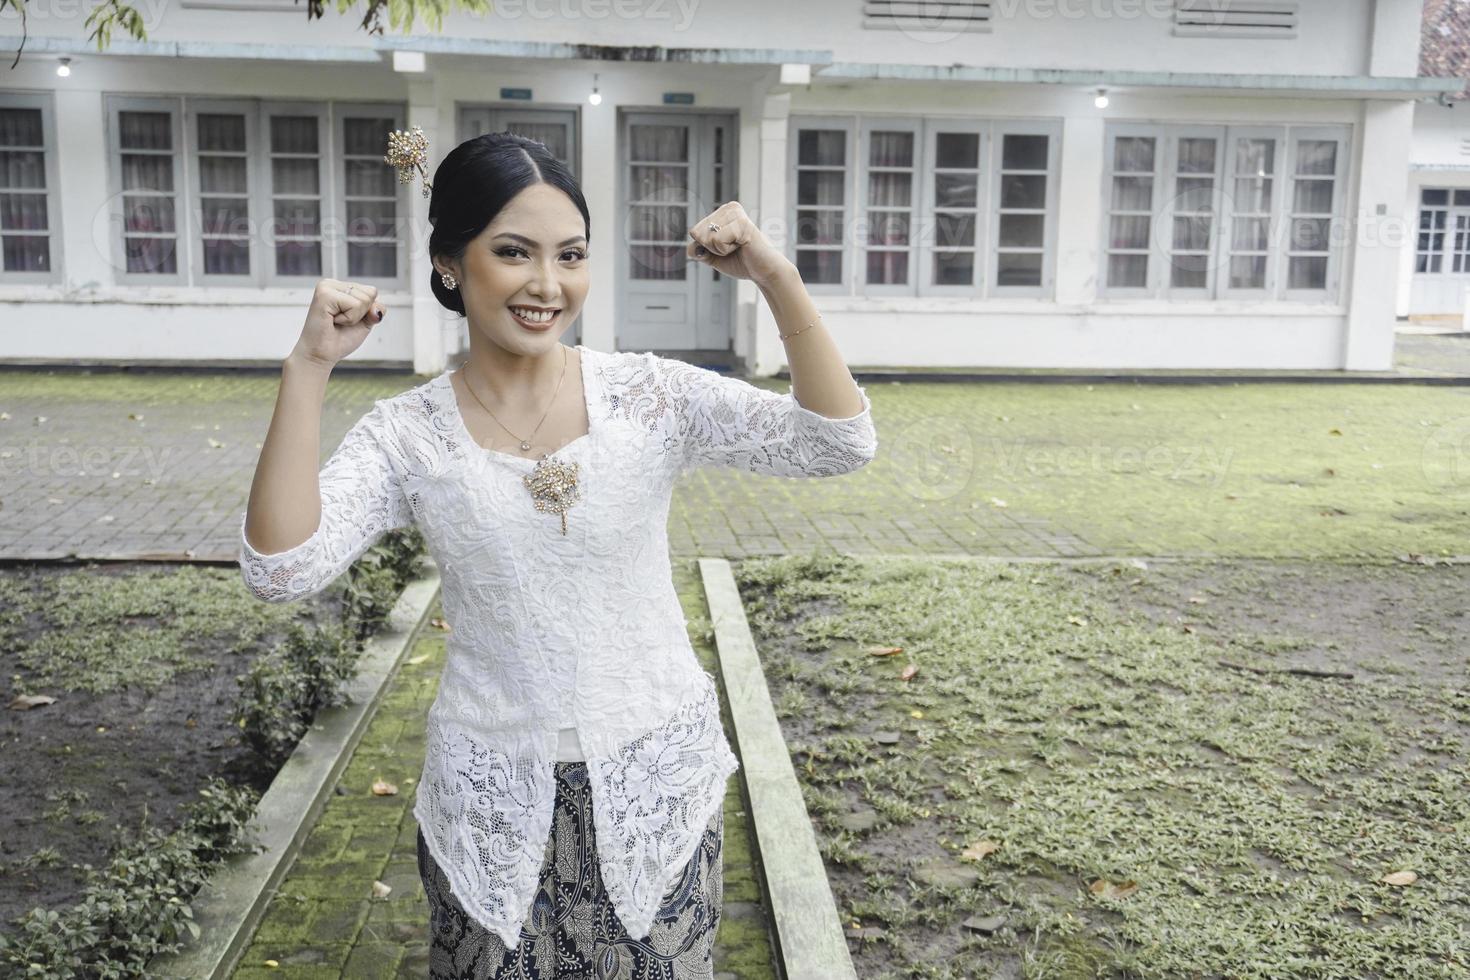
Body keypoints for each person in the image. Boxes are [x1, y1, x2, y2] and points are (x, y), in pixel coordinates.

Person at [238, 130, 878, 979]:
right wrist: (309, 365)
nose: (547, 284)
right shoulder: (408, 437)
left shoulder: (649, 396)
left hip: (657, 788)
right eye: (513, 252)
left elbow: (837, 444)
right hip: (492, 805)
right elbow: (280, 569)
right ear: (450, 265)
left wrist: (774, 276)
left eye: (570, 255)